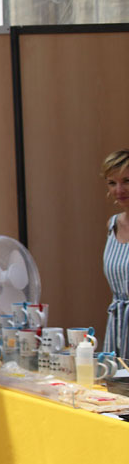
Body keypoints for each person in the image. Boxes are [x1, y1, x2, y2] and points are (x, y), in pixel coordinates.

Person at [102, 149, 129, 358]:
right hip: (117, 326)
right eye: (112, 182)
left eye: (127, 181)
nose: (119, 189)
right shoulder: (112, 224)